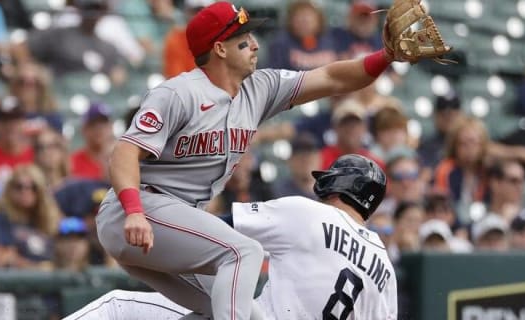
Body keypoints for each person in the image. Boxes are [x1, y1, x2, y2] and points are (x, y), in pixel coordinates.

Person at [98, 1, 415, 318]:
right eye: (244, 38)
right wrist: (134, 211)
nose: (255, 44)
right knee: (243, 251)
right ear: (220, 49)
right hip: (137, 212)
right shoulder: (179, 93)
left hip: (177, 225)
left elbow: (332, 78)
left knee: (244, 311)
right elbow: (125, 151)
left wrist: (385, 57)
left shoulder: (259, 88)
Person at [71, 154, 396, 319]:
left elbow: (211, 232)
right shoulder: (385, 268)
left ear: (339, 183)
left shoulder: (309, 213)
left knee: (118, 308)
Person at [70, 102, 114, 181]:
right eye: (93, 124)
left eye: (103, 123)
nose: (99, 128)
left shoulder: (121, 157)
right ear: (84, 129)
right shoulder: (72, 162)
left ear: (111, 127)